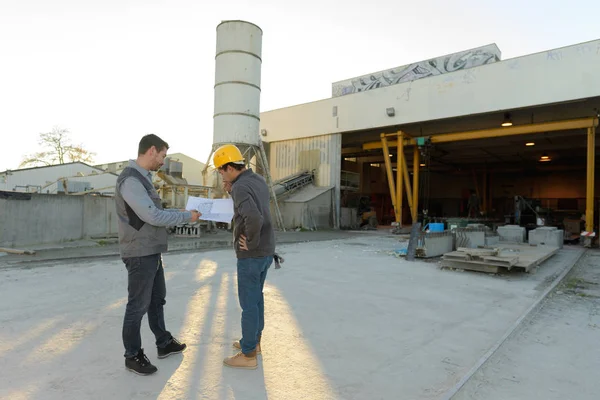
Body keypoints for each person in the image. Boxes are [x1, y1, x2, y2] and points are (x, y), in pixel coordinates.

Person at [114, 134, 201, 375]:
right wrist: (186, 216)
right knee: (137, 306)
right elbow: (152, 216)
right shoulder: (131, 181)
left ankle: (163, 342)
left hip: (150, 250)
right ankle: (132, 355)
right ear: (151, 150)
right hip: (139, 253)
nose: (163, 161)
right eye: (162, 156)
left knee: (156, 299)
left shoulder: (143, 179)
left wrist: (181, 211)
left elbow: (154, 211)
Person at [213, 144, 275, 370]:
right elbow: (257, 207)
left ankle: (248, 355)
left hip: (253, 255)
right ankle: (254, 342)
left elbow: (254, 218)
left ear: (230, 167)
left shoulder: (240, 187)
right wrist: (232, 189)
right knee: (257, 299)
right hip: (267, 251)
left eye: (221, 170)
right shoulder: (256, 179)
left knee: (248, 304)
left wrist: (250, 242)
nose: (220, 174)